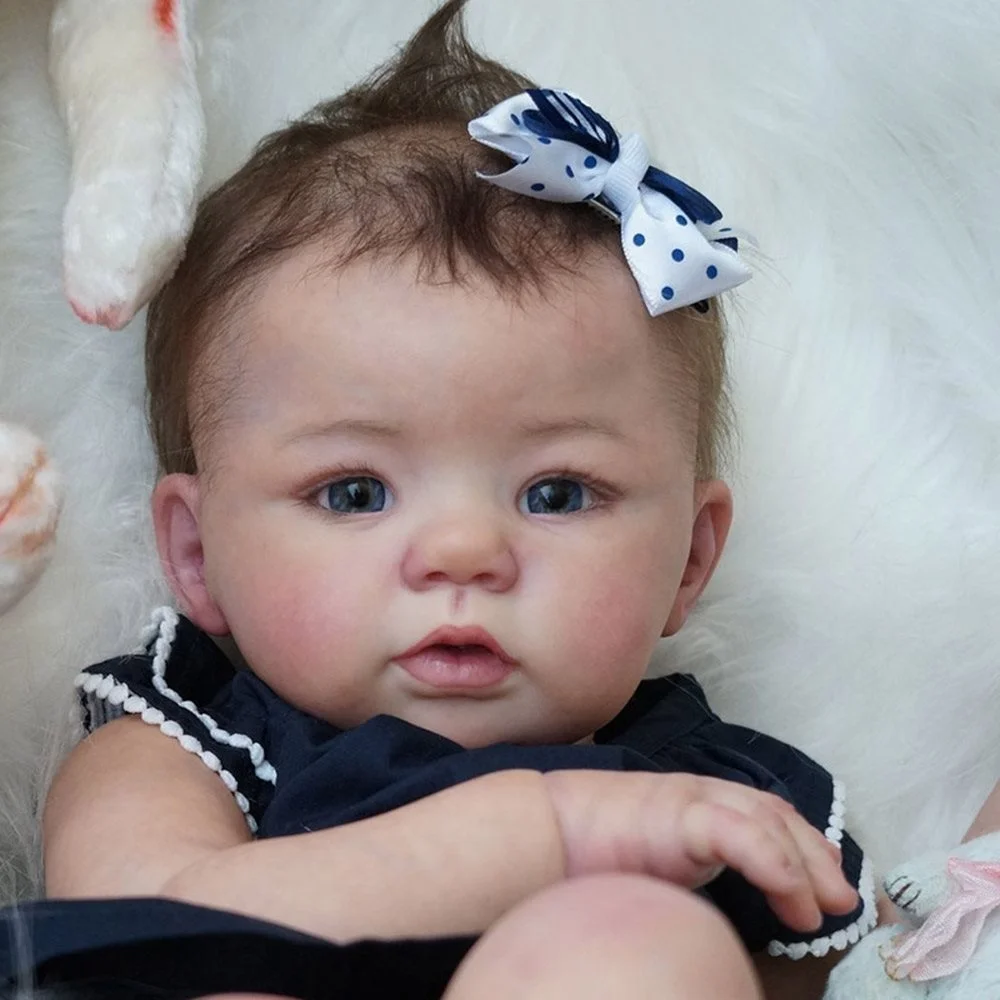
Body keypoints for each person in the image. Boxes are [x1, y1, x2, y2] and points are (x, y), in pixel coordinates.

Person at [8, 2, 877, 997]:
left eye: (557, 493)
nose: (464, 549)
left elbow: (892, 971)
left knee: (632, 946)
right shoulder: (179, 747)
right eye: (354, 492)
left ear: (688, 558)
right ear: (198, 554)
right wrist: (551, 834)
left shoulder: (730, 803)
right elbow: (144, 927)